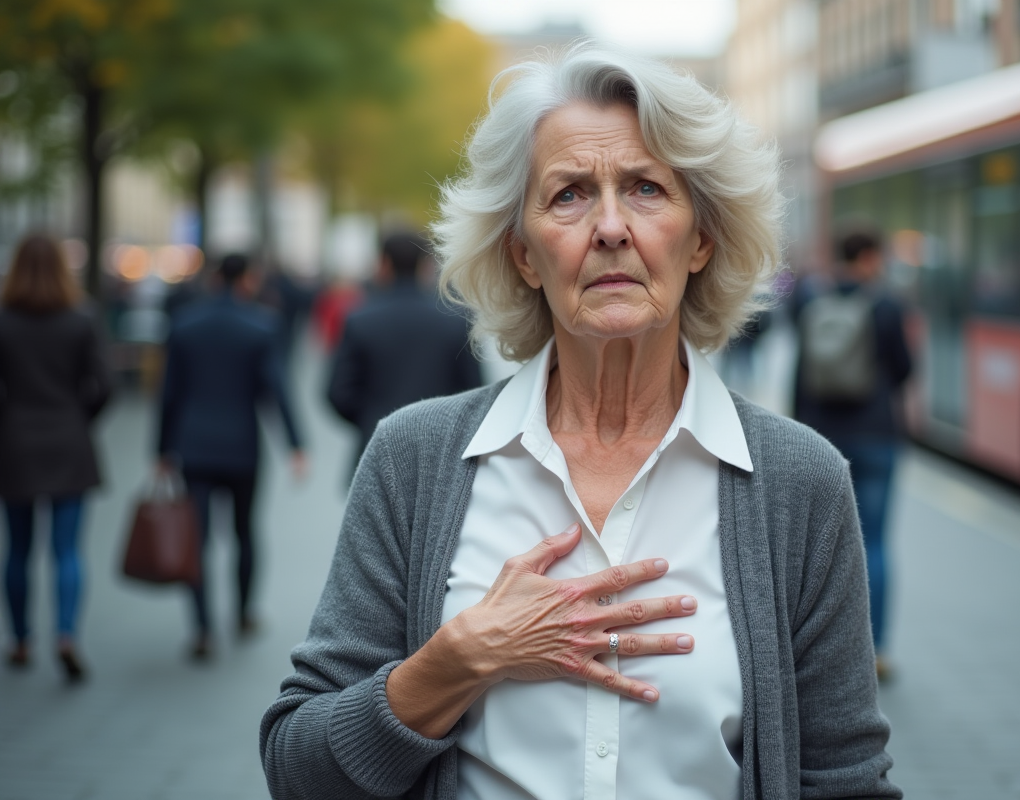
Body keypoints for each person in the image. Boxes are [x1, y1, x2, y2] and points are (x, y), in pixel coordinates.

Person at [261, 44, 900, 800]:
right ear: (524, 255)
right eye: (567, 194)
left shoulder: (800, 481)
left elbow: (845, 782)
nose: (609, 227)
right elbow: (298, 768)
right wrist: (462, 656)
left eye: (645, 189)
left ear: (701, 239)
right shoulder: (414, 458)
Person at [157, 253, 306, 660]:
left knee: (197, 537)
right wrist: (295, 444)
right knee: (245, 532)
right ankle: (242, 613)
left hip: (194, 446)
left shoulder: (185, 325)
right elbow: (276, 390)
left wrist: (161, 449)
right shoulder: (260, 326)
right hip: (242, 446)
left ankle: (202, 628)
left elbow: (169, 393)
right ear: (247, 278)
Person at [791, 227, 913, 682]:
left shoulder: (808, 301)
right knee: (875, 543)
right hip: (877, 434)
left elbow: (800, 371)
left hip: (823, 437)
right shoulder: (886, 306)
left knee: (820, 548)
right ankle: (876, 649)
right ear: (869, 257)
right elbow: (904, 371)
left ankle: (827, 653)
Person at [0, 233, 111, 681]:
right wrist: (79, 418)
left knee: (18, 549)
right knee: (67, 550)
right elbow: (104, 386)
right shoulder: (81, 318)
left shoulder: (3, 320)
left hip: (15, 443)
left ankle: (21, 639)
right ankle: (65, 635)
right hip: (69, 440)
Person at [327, 231, 482, 465]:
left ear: (383, 264)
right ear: (426, 266)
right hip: (438, 451)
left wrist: (370, 419)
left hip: (376, 447)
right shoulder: (456, 320)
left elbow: (338, 393)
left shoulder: (359, 320)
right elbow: (474, 391)